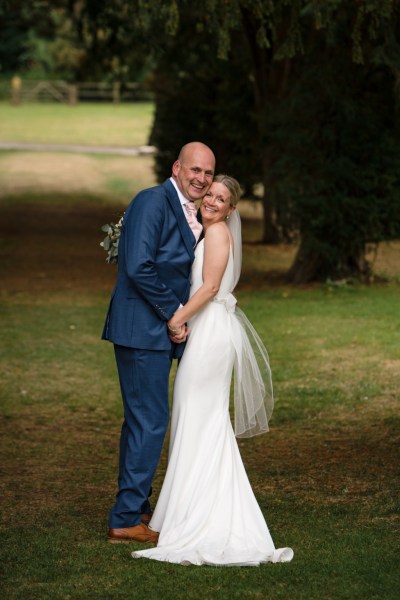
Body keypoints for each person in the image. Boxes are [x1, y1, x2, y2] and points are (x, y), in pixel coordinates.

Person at [132, 175, 294, 566]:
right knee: (195, 417)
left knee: (200, 418)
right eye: (210, 195)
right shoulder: (208, 232)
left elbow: (208, 288)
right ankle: (182, 510)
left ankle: (203, 516)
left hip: (209, 336)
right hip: (205, 332)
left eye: (222, 199)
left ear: (231, 209)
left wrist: (176, 320)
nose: (213, 202)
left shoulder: (218, 233)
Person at [102, 142, 216, 544]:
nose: (201, 178)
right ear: (177, 168)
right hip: (140, 329)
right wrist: (174, 312)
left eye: (207, 172)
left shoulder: (191, 210)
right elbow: (138, 266)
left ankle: (137, 504)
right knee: (150, 421)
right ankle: (126, 517)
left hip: (158, 332)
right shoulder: (152, 201)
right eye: (194, 169)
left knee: (142, 419)